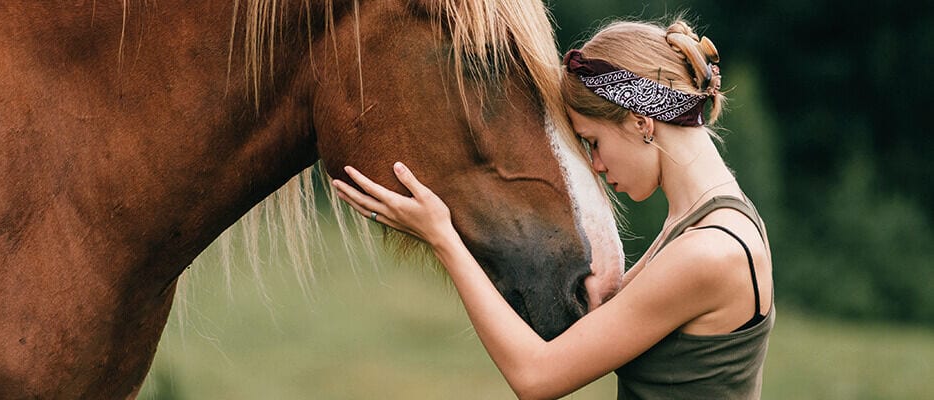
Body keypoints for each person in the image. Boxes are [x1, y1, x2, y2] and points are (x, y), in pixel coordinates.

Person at [331, 18, 773, 400]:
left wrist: (443, 237)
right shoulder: (711, 222)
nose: (597, 166)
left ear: (641, 121)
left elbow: (535, 377)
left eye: (593, 143)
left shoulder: (707, 253)